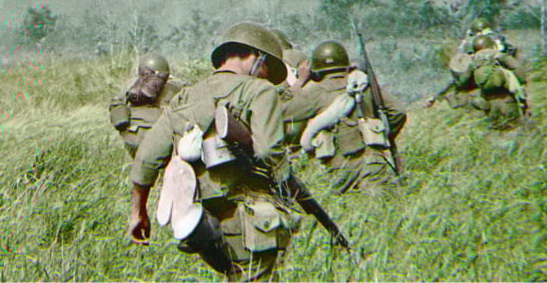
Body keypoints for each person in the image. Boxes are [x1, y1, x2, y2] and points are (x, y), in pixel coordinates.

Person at [129, 22, 297, 281]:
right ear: (256, 56)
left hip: (203, 223)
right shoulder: (260, 90)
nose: (264, 76)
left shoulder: (184, 97)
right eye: (266, 68)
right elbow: (269, 153)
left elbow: (146, 158)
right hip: (251, 218)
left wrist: (138, 212)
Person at [282, 41, 406, 194]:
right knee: (383, 206)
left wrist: (300, 81)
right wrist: (381, 136)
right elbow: (398, 111)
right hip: (372, 160)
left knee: (342, 211)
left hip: (337, 168)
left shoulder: (314, 91)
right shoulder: (362, 83)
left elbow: (282, 111)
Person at [428, 35, 528, 130]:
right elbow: (518, 68)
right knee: (515, 129)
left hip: (489, 103)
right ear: (491, 45)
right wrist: (522, 85)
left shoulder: (472, 61)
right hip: (508, 99)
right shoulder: (499, 55)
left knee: (496, 131)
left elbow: (462, 82)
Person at [109, 52, 185, 157]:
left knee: (137, 166)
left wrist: (124, 130)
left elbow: (116, 104)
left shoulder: (131, 84)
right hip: (161, 135)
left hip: (133, 135)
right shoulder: (176, 85)